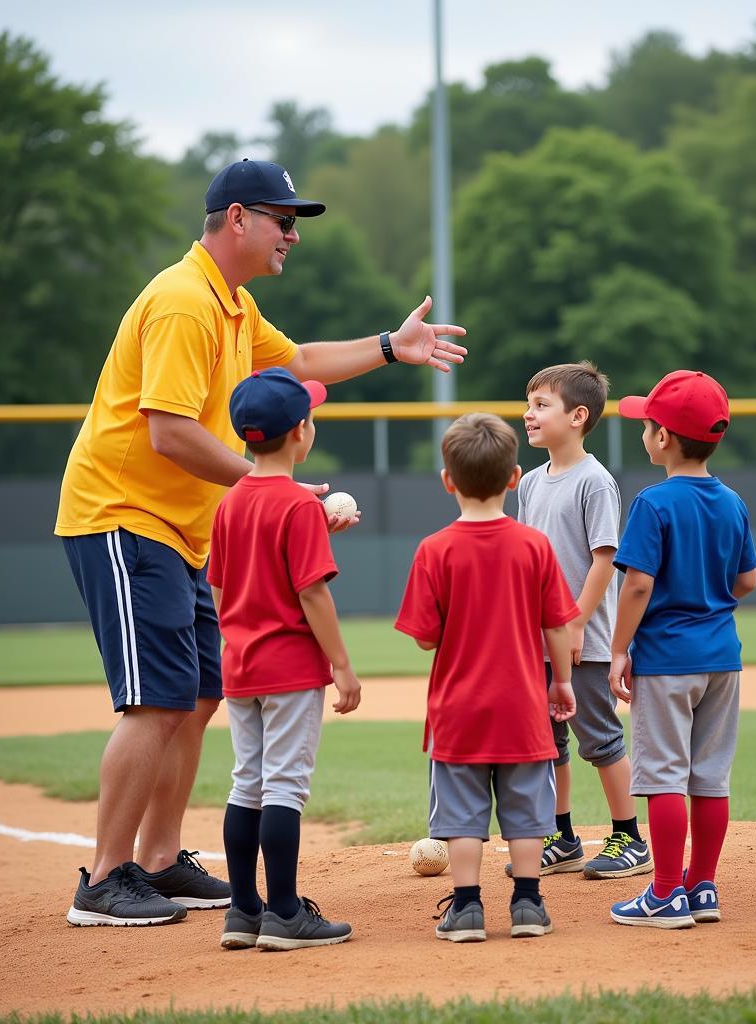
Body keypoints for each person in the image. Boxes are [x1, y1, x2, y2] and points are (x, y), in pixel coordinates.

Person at [57, 157, 466, 926]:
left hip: (181, 528)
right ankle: (105, 880)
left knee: (202, 690)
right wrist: (268, 487)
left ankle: (158, 859)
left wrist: (389, 345)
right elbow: (172, 433)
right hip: (122, 515)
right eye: (284, 220)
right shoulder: (184, 303)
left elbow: (303, 362)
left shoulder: (231, 306)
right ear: (237, 218)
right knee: (152, 702)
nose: (293, 236)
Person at [394, 413, 579, 942]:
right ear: (515, 477)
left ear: (448, 481)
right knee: (525, 812)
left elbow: (426, 637)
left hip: (458, 709)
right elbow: (556, 625)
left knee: (461, 814)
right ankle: (527, 905)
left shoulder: (434, 549)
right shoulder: (535, 546)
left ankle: (469, 909)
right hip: (522, 706)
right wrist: (561, 682)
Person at [209, 367, 359, 951]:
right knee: (286, 788)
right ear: (301, 432)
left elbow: (221, 588)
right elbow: (311, 592)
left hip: (241, 664)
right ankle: (287, 912)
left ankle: (243, 911)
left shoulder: (230, 502)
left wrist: (242, 633)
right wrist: (341, 665)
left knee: (247, 781)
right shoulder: (298, 506)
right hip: (292, 667)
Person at [607, 371, 756, 929]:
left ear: (664, 437)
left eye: (647, 425)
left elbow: (639, 584)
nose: (643, 433)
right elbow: (747, 581)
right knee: (709, 777)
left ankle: (666, 893)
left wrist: (619, 648)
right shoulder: (732, 501)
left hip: (667, 659)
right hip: (722, 657)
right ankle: (703, 887)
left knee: (664, 775)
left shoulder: (654, 501)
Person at [517, 362, 650, 879]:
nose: (528, 415)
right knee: (549, 742)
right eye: (528, 405)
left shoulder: (594, 481)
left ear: (577, 416)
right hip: (538, 636)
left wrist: (573, 623)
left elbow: (603, 558)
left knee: (598, 737)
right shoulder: (530, 483)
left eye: (541, 405)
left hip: (583, 638)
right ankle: (563, 835)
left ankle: (628, 836)